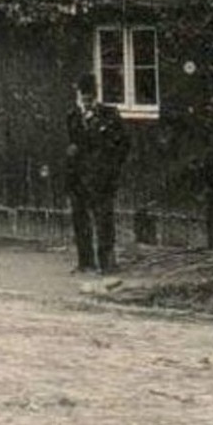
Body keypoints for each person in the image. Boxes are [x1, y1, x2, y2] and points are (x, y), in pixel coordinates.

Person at [64, 72, 129, 274]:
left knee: (104, 221)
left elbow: (123, 145)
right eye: (83, 97)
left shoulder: (109, 115)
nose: (86, 101)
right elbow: (73, 143)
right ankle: (85, 262)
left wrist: (111, 168)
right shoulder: (72, 116)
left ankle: (107, 263)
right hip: (79, 179)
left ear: (95, 96)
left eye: (89, 97)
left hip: (101, 178)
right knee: (80, 220)